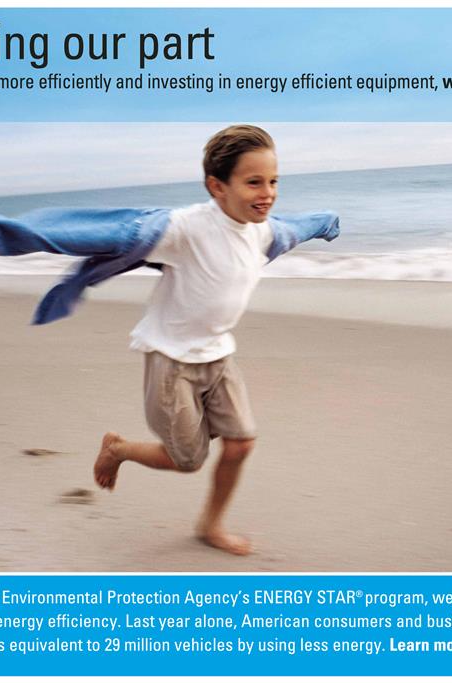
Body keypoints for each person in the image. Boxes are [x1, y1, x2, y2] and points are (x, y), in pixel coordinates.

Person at [91, 125, 289, 556]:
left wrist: (327, 224)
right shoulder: (185, 229)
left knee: (241, 443)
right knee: (188, 460)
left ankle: (209, 524)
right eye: (254, 182)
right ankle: (118, 449)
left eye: (274, 181)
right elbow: (121, 236)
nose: (268, 193)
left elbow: (296, 229)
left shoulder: (262, 229)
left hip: (218, 353)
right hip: (171, 361)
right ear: (217, 186)